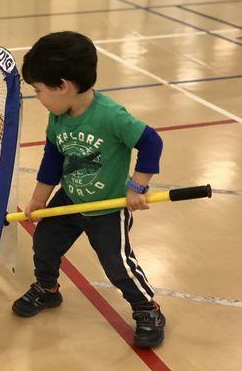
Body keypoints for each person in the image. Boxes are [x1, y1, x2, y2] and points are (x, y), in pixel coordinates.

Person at [12, 31, 166, 348]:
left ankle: (147, 309)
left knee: (117, 264)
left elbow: (151, 142)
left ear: (63, 86)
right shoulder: (58, 119)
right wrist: (39, 199)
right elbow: (52, 160)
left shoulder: (110, 116)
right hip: (71, 199)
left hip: (108, 209)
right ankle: (47, 289)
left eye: (38, 90)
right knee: (45, 242)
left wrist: (137, 185)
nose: (37, 98)